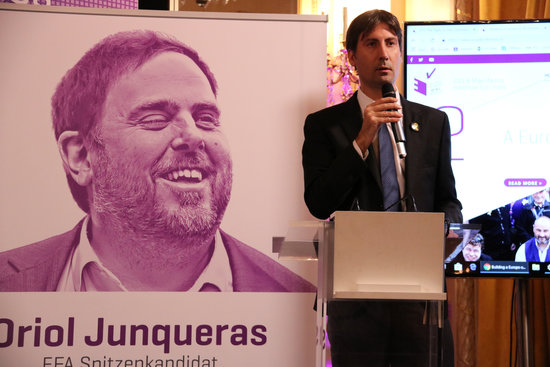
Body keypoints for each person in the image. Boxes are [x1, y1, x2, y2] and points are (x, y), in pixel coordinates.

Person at [0, 30, 315, 293]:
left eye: (206, 118)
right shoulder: (8, 286)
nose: (192, 136)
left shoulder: (293, 300)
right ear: (80, 156)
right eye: (154, 118)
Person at [302, 9, 462, 367]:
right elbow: (318, 201)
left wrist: (449, 226)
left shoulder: (432, 122)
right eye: (371, 44)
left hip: (420, 295)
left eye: (391, 43)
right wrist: (361, 140)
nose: (383, 53)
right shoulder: (324, 125)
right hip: (355, 295)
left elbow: (448, 199)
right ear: (352, 57)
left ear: (401, 53)